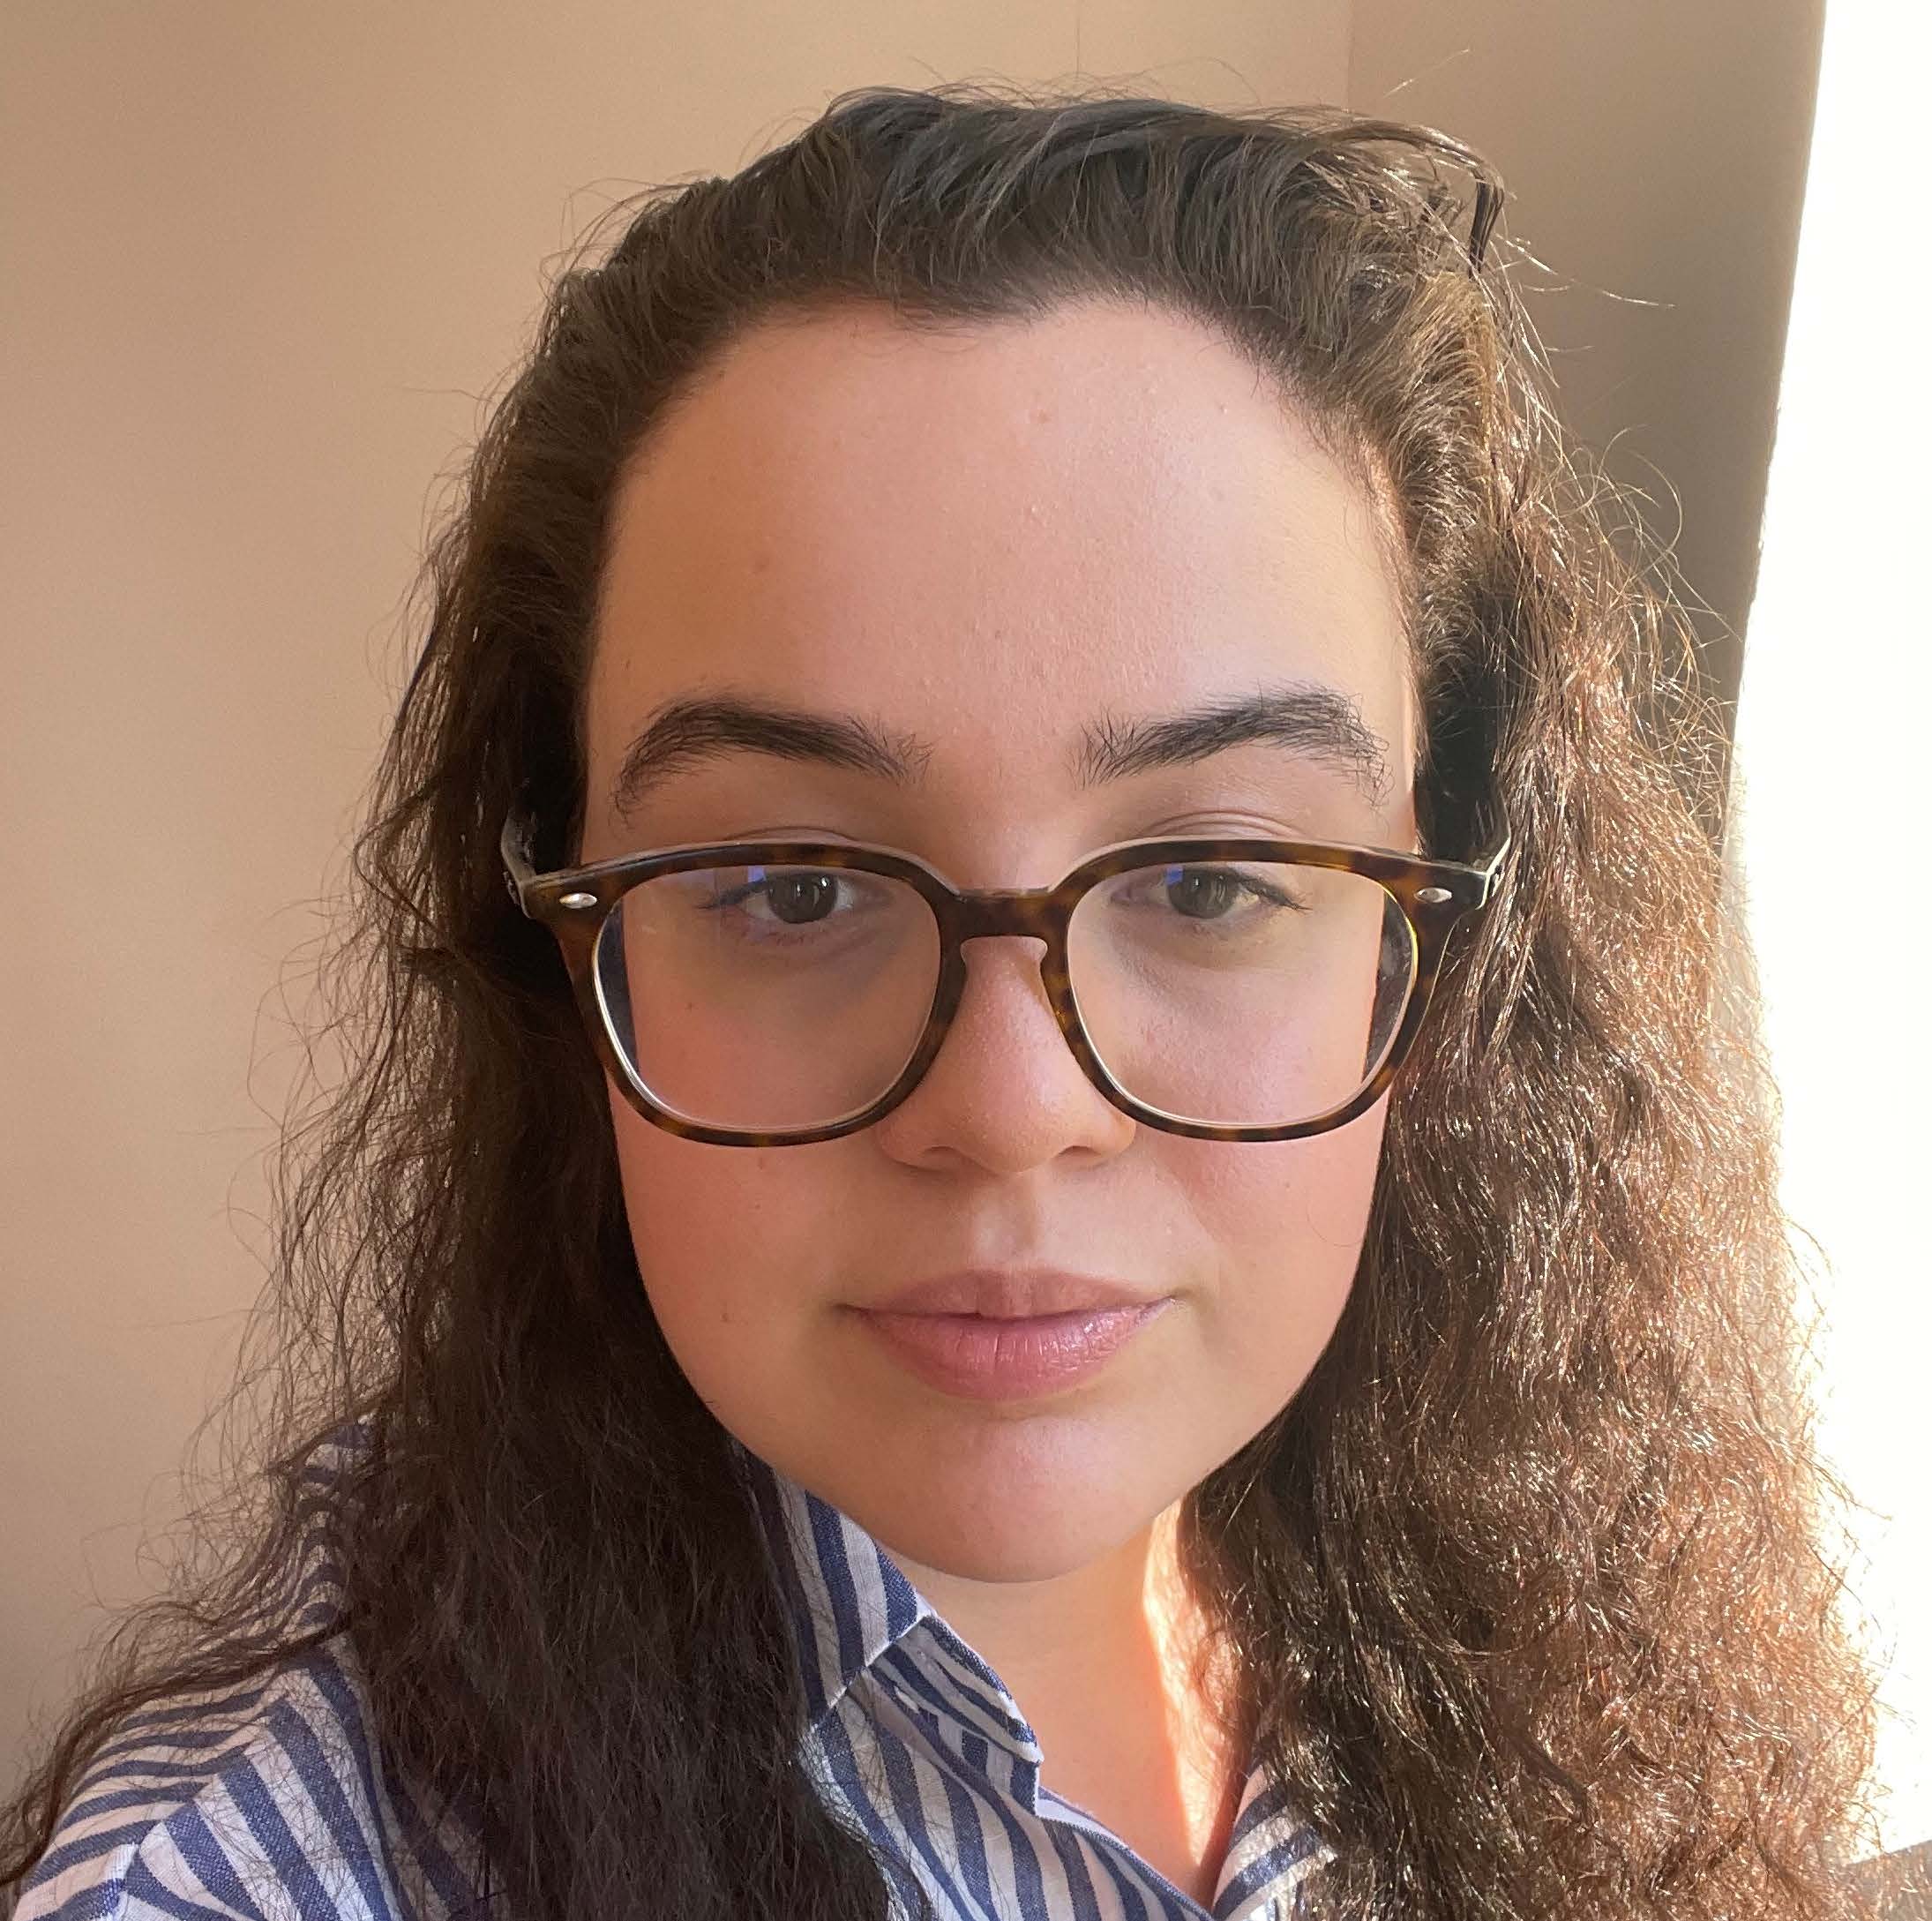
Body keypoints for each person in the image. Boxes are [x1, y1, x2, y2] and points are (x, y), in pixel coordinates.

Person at [1, 79, 1880, 1921]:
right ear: (564, 957)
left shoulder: (1534, 1637)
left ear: (1445, 941)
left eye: (1213, 879)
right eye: (792, 886)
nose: (1010, 1104)